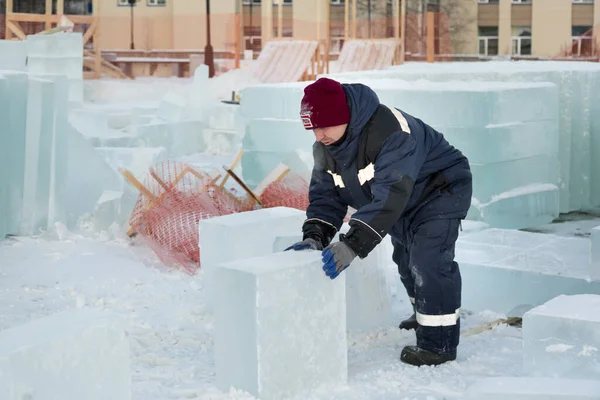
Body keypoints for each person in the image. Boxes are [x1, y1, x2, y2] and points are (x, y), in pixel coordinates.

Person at [285, 77, 473, 367]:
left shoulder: (391, 132)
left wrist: (352, 245)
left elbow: (392, 193)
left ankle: (439, 345)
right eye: (313, 128)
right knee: (406, 258)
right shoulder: (326, 148)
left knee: (429, 260)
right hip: (399, 200)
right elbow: (326, 197)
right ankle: (425, 314)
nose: (319, 135)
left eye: (324, 126)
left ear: (343, 115)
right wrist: (315, 235)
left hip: (439, 189)